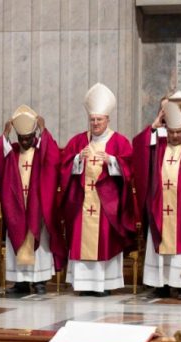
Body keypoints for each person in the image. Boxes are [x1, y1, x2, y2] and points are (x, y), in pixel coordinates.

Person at [60, 83, 135, 296]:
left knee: (105, 240)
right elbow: (64, 167)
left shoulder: (119, 141)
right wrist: (76, 159)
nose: (95, 123)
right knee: (80, 239)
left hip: (107, 205)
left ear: (107, 120)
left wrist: (112, 161)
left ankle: (104, 285)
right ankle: (83, 284)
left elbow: (130, 169)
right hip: (82, 203)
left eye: (99, 120)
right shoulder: (78, 141)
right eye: (92, 120)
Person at [0, 106, 64, 295]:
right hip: (16, 206)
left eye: (28, 138)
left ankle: (39, 281)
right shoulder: (12, 152)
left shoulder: (42, 151)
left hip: (36, 206)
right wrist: (4, 135)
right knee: (17, 237)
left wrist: (44, 131)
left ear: (34, 135)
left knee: (39, 242)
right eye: (21, 138)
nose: (24, 141)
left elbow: (54, 158)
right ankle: (20, 282)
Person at [133, 99, 181, 299]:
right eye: (171, 132)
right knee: (160, 240)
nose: (174, 136)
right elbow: (139, 146)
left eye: (179, 132)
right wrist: (153, 126)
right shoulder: (159, 144)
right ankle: (160, 284)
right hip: (159, 205)